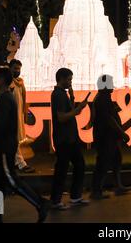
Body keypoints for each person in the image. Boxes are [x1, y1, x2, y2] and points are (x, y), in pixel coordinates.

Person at [0, 67, 49, 223]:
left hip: (3, 148)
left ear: (1, 80)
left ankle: (40, 203)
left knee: (11, 180)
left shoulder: (4, 100)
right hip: (2, 147)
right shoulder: (4, 98)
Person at [50, 68, 89, 210]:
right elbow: (61, 117)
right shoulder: (58, 95)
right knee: (62, 169)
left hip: (70, 138)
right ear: (61, 78)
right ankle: (56, 200)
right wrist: (79, 109)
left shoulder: (62, 94)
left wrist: (72, 98)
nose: (70, 82)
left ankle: (74, 196)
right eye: (69, 79)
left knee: (79, 165)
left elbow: (69, 111)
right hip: (64, 139)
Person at [91, 75, 131, 199]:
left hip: (108, 136)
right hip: (105, 137)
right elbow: (109, 119)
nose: (112, 85)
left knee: (116, 160)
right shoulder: (102, 99)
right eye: (110, 83)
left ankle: (118, 186)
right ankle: (96, 191)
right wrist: (122, 133)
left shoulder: (103, 97)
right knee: (103, 163)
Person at [8, 59, 35, 173]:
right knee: (14, 140)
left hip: (18, 116)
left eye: (19, 69)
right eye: (15, 68)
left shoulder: (20, 83)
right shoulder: (9, 83)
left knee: (15, 140)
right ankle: (21, 163)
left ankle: (14, 162)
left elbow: (23, 99)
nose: (17, 71)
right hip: (9, 117)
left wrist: (24, 114)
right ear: (10, 69)